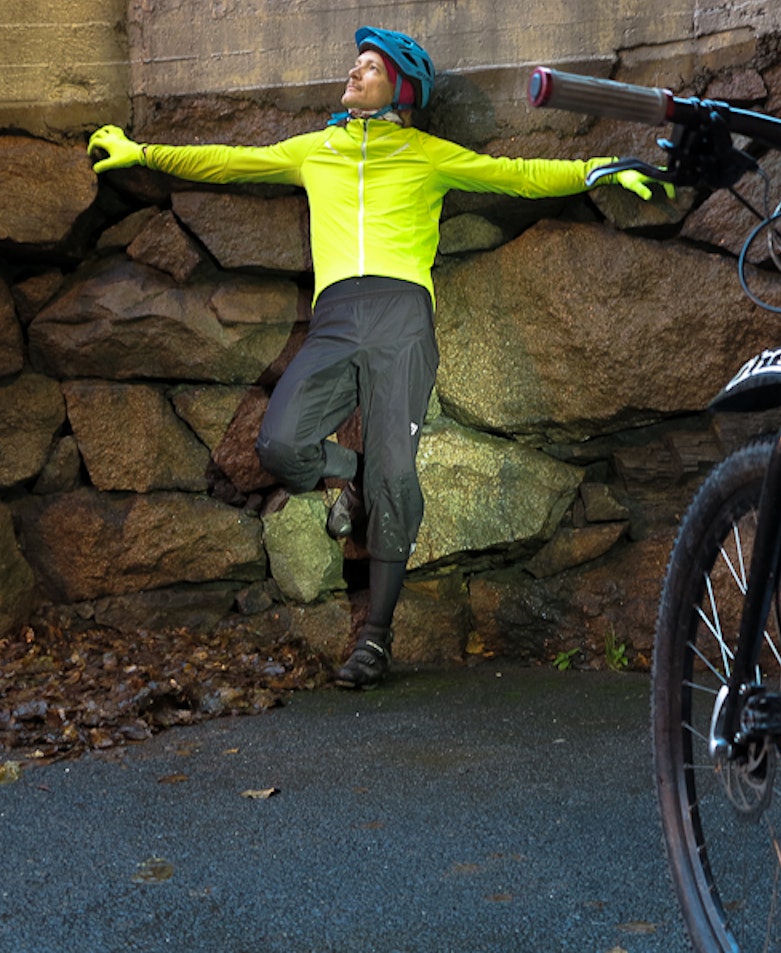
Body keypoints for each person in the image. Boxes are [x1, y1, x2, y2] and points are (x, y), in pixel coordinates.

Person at [88, 27, 668, 690]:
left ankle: (375, 639)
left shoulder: (424, 153)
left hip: (402, 320)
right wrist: (142, 152)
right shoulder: (317, 150)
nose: (355, 72)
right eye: (356, 63)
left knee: (397, 479)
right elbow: (230, 160)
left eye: (370, 67)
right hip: (334, 319)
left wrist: (597, 167)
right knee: (279, 443)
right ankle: (347, 473)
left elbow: (515, 176)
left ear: (400, 87)